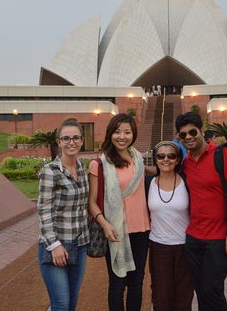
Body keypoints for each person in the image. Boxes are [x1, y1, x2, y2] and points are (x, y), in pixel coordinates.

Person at [175, 112, 227, 311]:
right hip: (193, 237)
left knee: (212, 288)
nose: (188, 137)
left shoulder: (222, 155)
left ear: (201, 131)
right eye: (183, 134)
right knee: (200, 289)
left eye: (192, 132)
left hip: (219, 237)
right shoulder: (185, 163)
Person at [88, 113, 150, 311]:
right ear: (110, 134)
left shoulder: (138, 158)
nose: (122, 136)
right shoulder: (100, 163)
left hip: (141, 228)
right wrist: (105, 224)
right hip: (115, 231)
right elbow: (91, 202)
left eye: (127, 132)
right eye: (117, 132)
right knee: (117, 283)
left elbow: (154, 175)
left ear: (133, 134)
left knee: (136, 282)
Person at [37, 118, 89, 311]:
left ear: (82, 141)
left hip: (80, 244)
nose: (71, 142)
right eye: (66, 138)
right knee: (61, 305)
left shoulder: (83, 168)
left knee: (71, 304)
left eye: (75, 138)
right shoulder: (50, 171)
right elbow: (43, 211)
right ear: (59, 141)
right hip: (56, 246)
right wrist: (54, 245)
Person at [147, 141, 194, 311]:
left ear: (177, 159)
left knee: (184, 295)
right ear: (155, 159)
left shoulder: (187, 182)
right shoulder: (148, 183)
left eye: (171, 156)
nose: (165, 159)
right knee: (161, 296)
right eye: (161, 156)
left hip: (184, 246)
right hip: (159, 246)